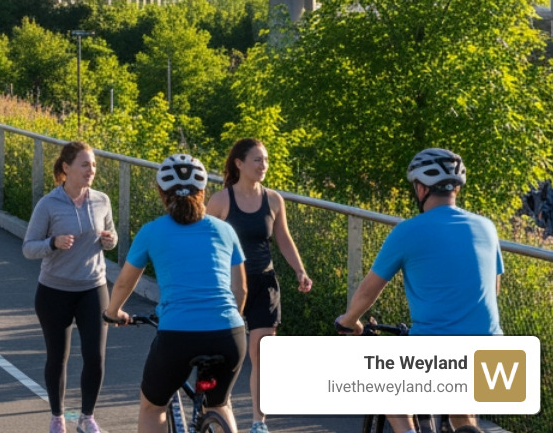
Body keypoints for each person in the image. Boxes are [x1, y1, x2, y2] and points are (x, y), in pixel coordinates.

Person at [336, 149, 501, 433]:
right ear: (456, 188)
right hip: (491, 352)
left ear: (422, 188)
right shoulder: (487, 227)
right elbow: (493, 289)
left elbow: (368, 290)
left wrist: (349, 321)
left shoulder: (407, 231)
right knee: (462, 409)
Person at [106, 154, 246, 433]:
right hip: (229, 332)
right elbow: (240, 289)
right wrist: (227, 322)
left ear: (161, 192)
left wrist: (113, 313)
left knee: (152, 407)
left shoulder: (151, 231)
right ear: (203, 191)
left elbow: (123, 283)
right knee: (219, 404)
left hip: (178, 335)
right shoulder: (225, 230)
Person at [207, 138, 313, 433]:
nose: (263, 165)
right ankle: (216, 407)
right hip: (229, 286)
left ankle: (258, 422)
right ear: (239, 163)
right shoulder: (221, 200)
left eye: (265, 160)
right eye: (257, 160)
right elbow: (202, 240)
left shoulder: (274, 199)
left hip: (265, 283)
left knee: (262, 353)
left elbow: (283, 238)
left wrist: (300, 270)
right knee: (226, 352)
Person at [23, 141, 117, 433]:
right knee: (58, 356)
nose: (91, 171)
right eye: (85, 165)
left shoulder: (101, 200)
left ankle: (87, 417)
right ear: (66, 168)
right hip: (55, 291)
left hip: (93, 288)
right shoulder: (48, 204)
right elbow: (28, 248)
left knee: (95, 356)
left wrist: (109, 241)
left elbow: (111, 234)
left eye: (93, 165)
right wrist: (53, 243)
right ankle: (57, 417)